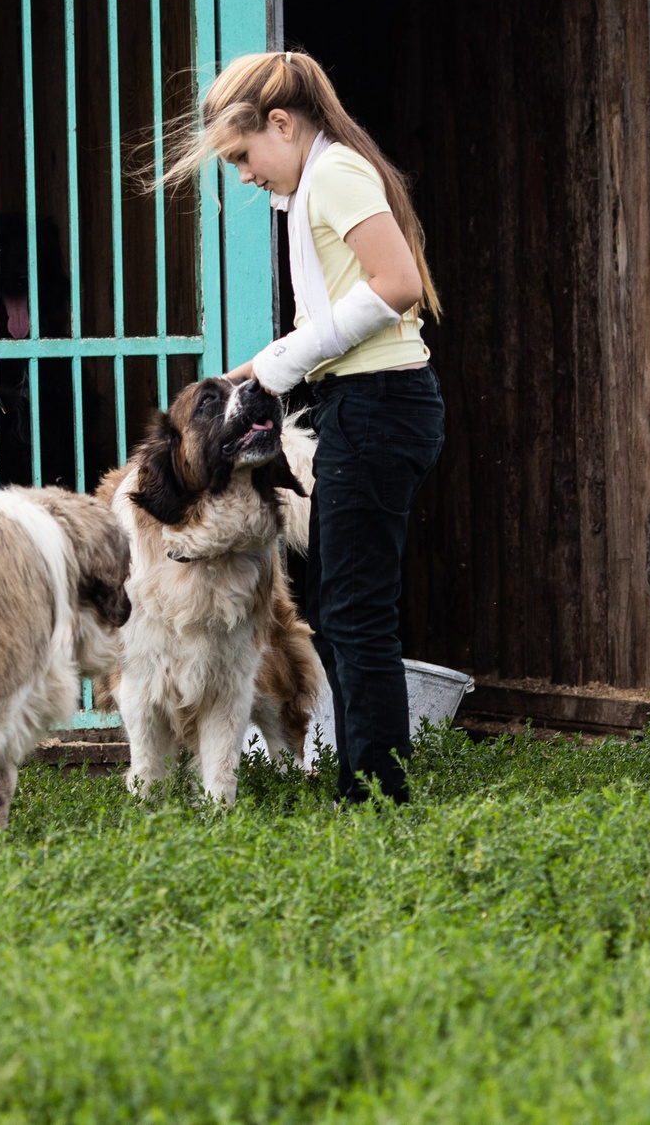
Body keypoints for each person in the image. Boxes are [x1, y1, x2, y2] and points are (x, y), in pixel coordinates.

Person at [167, 50, 443, 805]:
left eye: (242, 155)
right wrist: (253, 373)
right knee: (336, 608)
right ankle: (363, 784)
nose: (243, 176)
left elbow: (397, 284)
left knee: (356, 613)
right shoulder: (315, 184)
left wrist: (278, 365)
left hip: (381, 404)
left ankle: (376, 798)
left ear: (281, 124)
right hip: (359, 403)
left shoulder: (337, 173)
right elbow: (323, 322)